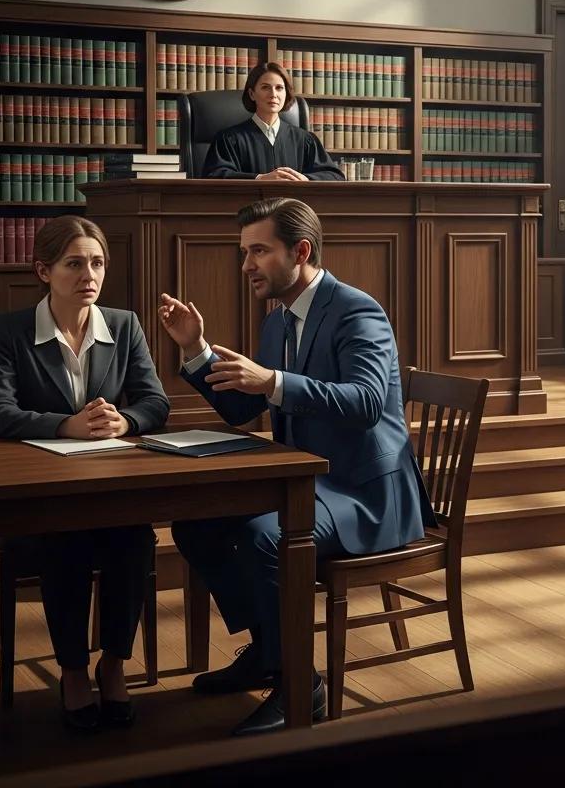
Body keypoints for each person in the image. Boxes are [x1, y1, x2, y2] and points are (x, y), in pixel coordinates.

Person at [158, 197, 435, 736]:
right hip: (308, 483)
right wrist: (196, 350)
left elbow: (366, 402)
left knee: (267, 538)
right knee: (197, 523)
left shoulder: (357, 310)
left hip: (364, 492)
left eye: (258, 252)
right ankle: (268, 651)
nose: (246, 266)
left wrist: (275, 382)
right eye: (245, 253)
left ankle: (299, 684)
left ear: (301, 251)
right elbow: (243, 409)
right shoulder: (277, 323)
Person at [0, 216, 169, 732]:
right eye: (75, 263)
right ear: (44, 270)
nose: (90, 274)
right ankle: (72, 669)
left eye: (98, 262)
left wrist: (124, 419)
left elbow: (156, 401)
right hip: (41, 490)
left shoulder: (124, 324)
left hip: (109, 481)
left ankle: (112, 664)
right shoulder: (10, 329)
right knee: (67, 538)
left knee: (133, 536)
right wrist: (67, 424)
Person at [201, 61, 345, 180]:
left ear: (286, 93)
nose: (273, 94)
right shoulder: (229, 139)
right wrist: (260, 179)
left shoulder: (305, 139)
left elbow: (334, 176)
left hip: (293, 212)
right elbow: (214, 176)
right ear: (252, 94)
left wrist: (306, 179)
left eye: (279, 88)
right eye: (265, 88)